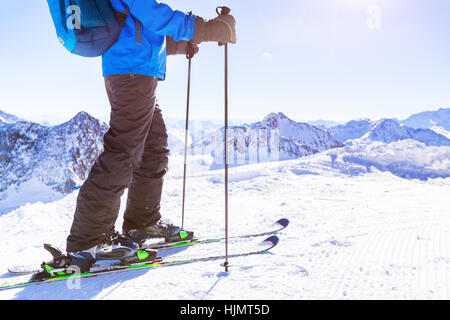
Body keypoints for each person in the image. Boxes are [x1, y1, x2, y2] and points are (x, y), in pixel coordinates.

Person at [65, 0, 236, 268]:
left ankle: (143, 223)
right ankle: (88, 242)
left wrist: (180, 45)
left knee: (153, 148)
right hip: (131, 74)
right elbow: (153, 15)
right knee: (121, 154)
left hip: (134, 71)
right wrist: (205, 29)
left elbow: (137, 29)